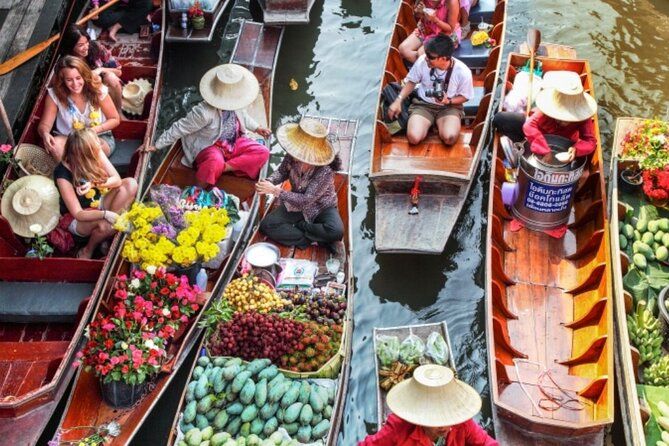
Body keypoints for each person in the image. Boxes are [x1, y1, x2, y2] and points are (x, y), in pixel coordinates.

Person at [150, 63, 271, 187]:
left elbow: (243, 116)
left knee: (262, 151)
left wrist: (257, 128)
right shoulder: (203, 113)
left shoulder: (236, 102)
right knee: (214, 161)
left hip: (232, 141)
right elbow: (180, 128)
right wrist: (157, 145)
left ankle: (223, 168)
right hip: (210, 145)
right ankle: (200, 188)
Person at [256, 118, 344, 255]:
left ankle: (301, 227)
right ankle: (310, 239)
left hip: (321, 207)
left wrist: (275, 190)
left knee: (336, 231)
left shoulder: (325, 170)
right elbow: (281, 172)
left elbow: (307, 199)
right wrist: (269, 182)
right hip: (294, 204)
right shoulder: (291, 157)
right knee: (266, 225)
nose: (294, 154)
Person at [360, 364, 498, 446]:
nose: (443, 425)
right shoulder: (398, 427)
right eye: (436, 418)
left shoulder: (462, 423)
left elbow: (487, 442)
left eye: (446, 417)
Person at [54, 129, 137, 259]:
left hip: (99, 201)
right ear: (83, 155)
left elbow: (116, 179)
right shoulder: (62, 174)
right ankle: (88, 249)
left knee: (130, 184)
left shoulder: (95, 151)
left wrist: (94, 184)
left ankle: (105, 234)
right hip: (78, 217)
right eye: (95, 151)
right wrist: (106, 214)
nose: (99, 151)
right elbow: (78, 214)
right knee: (107, 224)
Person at [492, 71, 598, 163]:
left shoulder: (583, 115)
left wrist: (575, 150)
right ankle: (523, 148)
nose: (563, 122)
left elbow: (590, 142)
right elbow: (529, 126)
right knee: (500, 119)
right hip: (539, 136)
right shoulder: (548, 107)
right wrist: (544, 150)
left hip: (564, 143)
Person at [388, 34, 473, 146]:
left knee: (449, 138)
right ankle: (432, 124)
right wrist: (398, 100)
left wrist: (449, 101)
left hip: (449, 107)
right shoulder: (422, 61)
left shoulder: (463, 72)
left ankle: (436, 124)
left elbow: (465, 97)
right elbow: (412, 82)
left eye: (431, 57)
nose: (426, 58)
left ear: (443, 58)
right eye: (427, 54)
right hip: (423, 104)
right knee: (413, 138)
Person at [38, 56, 120, 162]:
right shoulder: (54, 95)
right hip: (68, 139)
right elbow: (45, 125)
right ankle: (72, 176)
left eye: (78, 78)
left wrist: (93, 130)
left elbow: (114, 119)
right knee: (55, 146)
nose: (75, 84)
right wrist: (45, 133)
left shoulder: (97, 90)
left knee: (88, 148)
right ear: (62, 80)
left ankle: (77, 173)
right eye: (69, 80)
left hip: (99, 137)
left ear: (84, 76)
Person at [61, 25, 123, 114]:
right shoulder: (67, 62)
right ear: (71, 46)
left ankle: (118, 112)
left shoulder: (96, 47)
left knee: (110, 77)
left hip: (109, 89)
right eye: (80, 45)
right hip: (86, 96)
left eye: (87, 42)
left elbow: (118, 72)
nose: (86, 47)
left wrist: (100, 70)